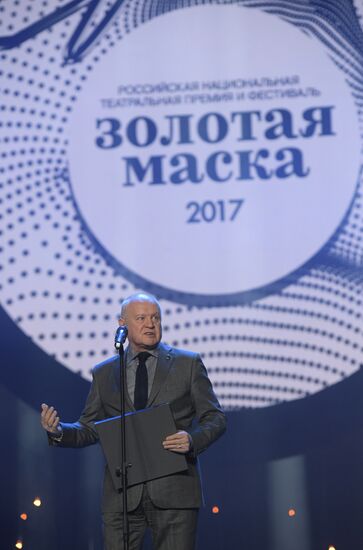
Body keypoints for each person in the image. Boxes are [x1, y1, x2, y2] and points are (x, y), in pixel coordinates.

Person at [40, 292, 226, 550]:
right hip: (122, 496)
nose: (150, 324)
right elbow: (89, 428)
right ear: (122, 324)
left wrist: (192, 439)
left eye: (156, 318)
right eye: (141, 318)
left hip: (174, 492)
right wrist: (58, 431)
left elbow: (215, 418)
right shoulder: (105, 373)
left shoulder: (187, 364)